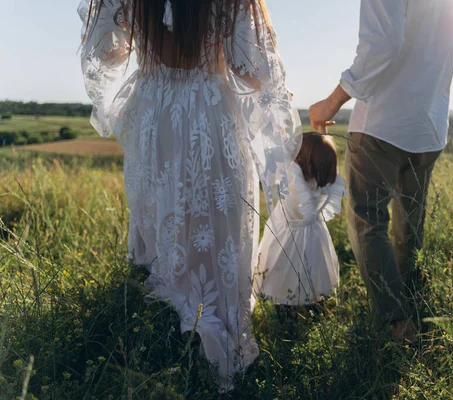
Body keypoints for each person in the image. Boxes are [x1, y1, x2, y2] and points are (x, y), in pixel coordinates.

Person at [78, 0, 301, 390]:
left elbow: (104, 50)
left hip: (156, 112)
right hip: (208, 113)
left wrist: (148, 36)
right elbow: (254, 71)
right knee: (215, 227)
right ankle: (218, 336)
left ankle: (169, 333)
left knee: (167, 221)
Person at [309, 0, 453, 343]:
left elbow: (383, 42)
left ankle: (399, 324)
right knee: (410, 222)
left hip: (383, 122)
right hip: (429, 123)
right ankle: (412, 302)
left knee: (369, 222)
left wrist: (332, 101)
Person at [253, 131, 345, 306]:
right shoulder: (316, 181)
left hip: (289, 240)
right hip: (313, 236)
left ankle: (287, 311)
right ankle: (310, 308)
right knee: (311, 275)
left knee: (284, 275)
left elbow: (284, 159)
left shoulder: (295, 178)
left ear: (301, 160)